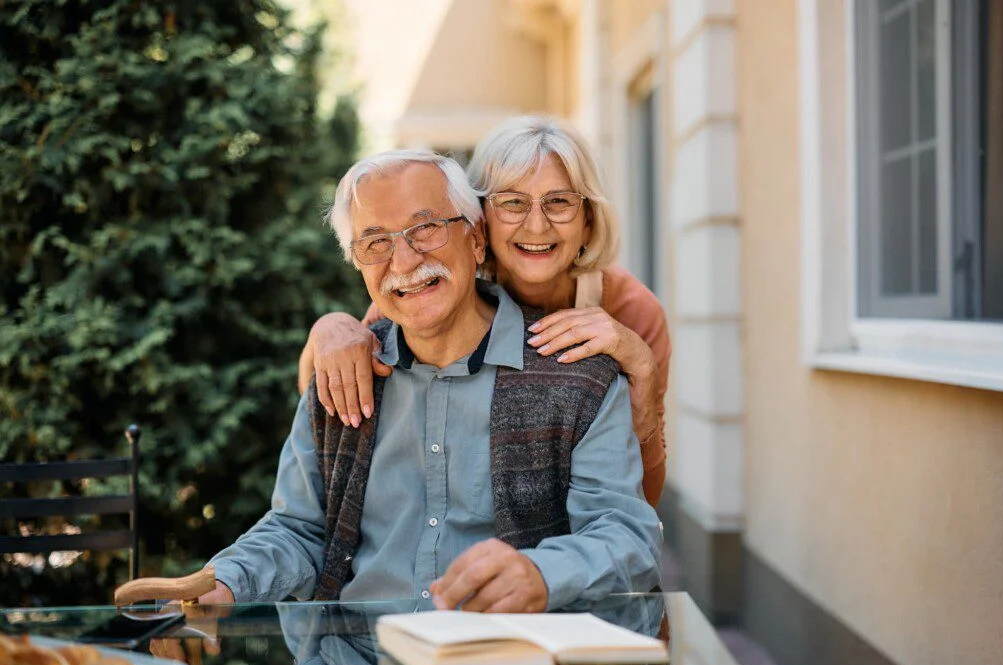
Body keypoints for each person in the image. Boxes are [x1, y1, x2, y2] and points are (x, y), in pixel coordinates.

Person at [193, 150, 661, 613]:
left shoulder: (578, 376)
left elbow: (626, 537)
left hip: (501, 663)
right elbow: (297, 530)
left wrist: (544, 573)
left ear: (477, 239)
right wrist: (223, 584)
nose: (403, 261)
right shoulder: (342, 372)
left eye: (426, 228)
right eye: (375, 242)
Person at [299, 115, 671, 506]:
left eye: (558, 202)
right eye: (512, 202)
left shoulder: (632, 312)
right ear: (480, 221)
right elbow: (323, 405)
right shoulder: (434, 290)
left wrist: (643, 371)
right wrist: (329, 327)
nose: (537, 226)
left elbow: (640, 506)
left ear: (588, 220)